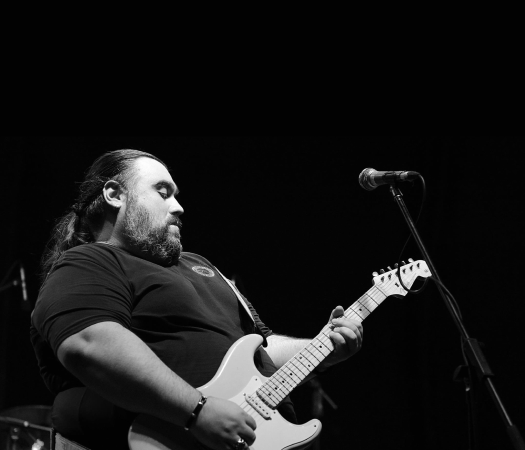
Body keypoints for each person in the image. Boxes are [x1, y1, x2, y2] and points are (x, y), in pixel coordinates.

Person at [30, 149, 363, 450]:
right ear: (115, 195)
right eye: (163, 192)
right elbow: (90, 342)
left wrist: (322, 348)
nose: (178, 207)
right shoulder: (90, 261)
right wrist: (196, 410)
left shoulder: (203, 266)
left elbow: (261, 350)